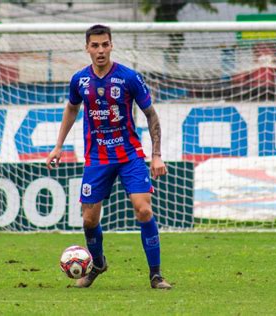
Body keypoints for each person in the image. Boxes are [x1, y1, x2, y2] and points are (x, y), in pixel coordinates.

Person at [46, 24, 172, 290]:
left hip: (129, 155)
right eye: (95, 45)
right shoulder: (79, 80)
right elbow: (71, 108)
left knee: (144, 208)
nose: (100, 50)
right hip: (97, 158)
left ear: (111, 45)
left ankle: (156, 275)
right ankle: (99, 264)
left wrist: (157, 155)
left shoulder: (129, 78)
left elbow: (151, 114)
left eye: (105, 44)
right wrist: (58, 146)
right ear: (87, 48)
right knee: (89, 219)